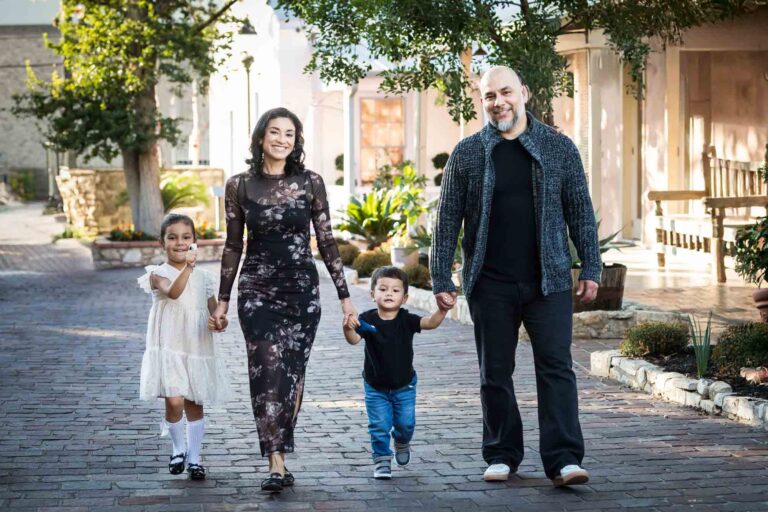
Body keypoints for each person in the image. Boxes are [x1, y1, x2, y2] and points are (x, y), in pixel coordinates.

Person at [430, 66, 602, 487]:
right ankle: (502, 453)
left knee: (557, 368)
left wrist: (592, 266)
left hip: (551, 281)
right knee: (495, 372)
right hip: (491, 284)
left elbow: (580, 210)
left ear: (523, 93)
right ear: (482, 101)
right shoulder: (468, 152)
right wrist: (441, 277)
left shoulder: (558, 147)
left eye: (505, 92)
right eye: (489, 95)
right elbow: (447, 219)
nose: (498, 101)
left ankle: (564, 459)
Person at [210, 107, 356, 493]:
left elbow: (326, 241)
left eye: (289, 134)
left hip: (301, 291)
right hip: (257, 290)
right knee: (266, 369)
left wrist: (345, 298)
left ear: (296, 141)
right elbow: (232, 246)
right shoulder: (239, 186)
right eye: (275, 132)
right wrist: (222, 300)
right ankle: (276, 462)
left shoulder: (311, 182)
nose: (281, 139)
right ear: (261, 137)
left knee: (290, 375)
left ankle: (281, 450)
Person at [138, 213, 232, 481]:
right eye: (172, 237)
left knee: (194, 401)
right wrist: (188, 269)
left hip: (196, 345)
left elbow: (213, 310)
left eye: (186, 237)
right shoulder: (157, 274)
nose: (179, 242)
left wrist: (220, 321)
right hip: (169, 345)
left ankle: (194, 458)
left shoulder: (204, 278)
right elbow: (174, 293)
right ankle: (178, 448)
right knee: (174, 399)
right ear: (162, 242)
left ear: (194, 242)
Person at [342, 266, 447, 479]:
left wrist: (442, 311)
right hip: (375, 386)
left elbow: (429, 323)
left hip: (404, 386)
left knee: (405, 424)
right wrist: (347, 328)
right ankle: (381, 460)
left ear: (405, 297)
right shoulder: (367, 319)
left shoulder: (406, 320)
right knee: (379, 425)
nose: (389, 293)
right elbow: (354, 340)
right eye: (383, 289)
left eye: (395, 290)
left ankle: (401, 441)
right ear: (373, 294)